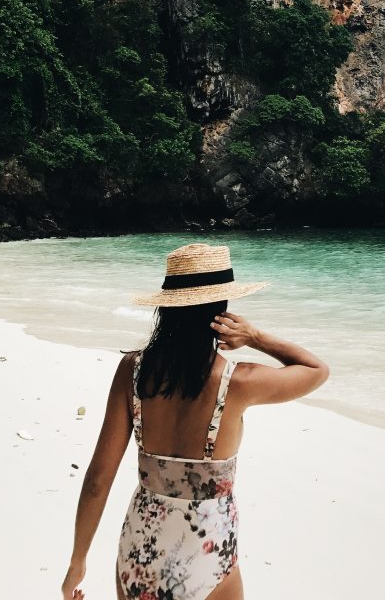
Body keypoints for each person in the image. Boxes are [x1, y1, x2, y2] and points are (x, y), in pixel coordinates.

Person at [60, 242, 329, 600]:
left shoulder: (133, 371)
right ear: (221, 309)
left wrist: (78, 561)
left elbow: (98, 479)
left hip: (141, 548)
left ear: (167, 307)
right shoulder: (239, 381)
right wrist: (255, 337)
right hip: (207, 552)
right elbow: (317, 370)